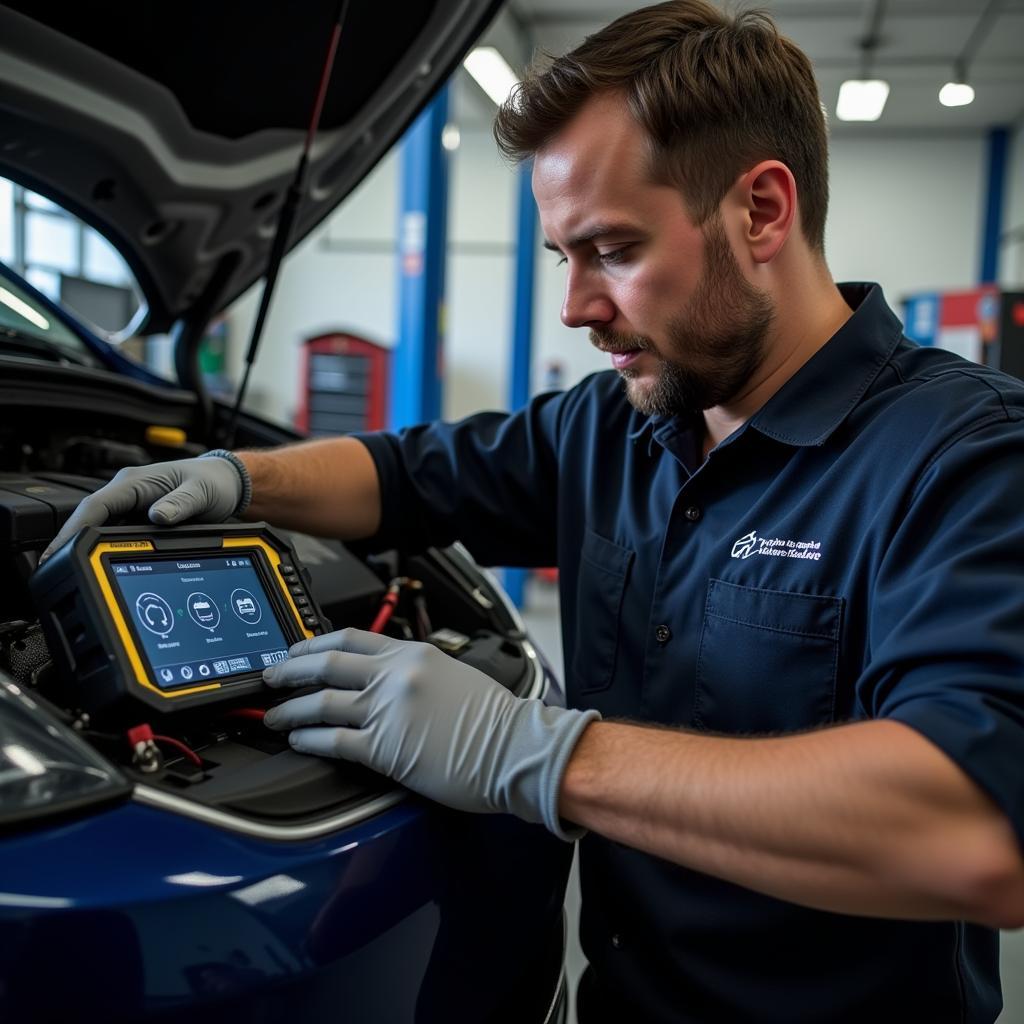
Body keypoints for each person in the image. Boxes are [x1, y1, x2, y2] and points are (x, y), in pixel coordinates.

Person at [43, 2, 1024, 1020]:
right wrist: (238, 480)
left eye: (612, 249)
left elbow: (975, 831)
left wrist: (539, 754)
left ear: (762, 212)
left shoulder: (962, 454)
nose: (575, 306)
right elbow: (403, 475)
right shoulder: (619, 423)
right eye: (564, 256)